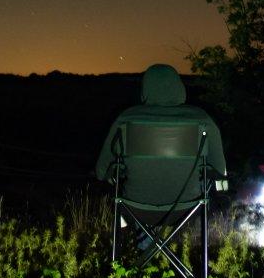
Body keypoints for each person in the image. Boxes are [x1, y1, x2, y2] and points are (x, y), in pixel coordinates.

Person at [95, 62, 228, 198]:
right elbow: (219, 170)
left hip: (136, 209)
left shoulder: (125, 118)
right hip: (188, 210)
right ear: (179, 88)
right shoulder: (202, 119)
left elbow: (101, 171)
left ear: (144, 89)